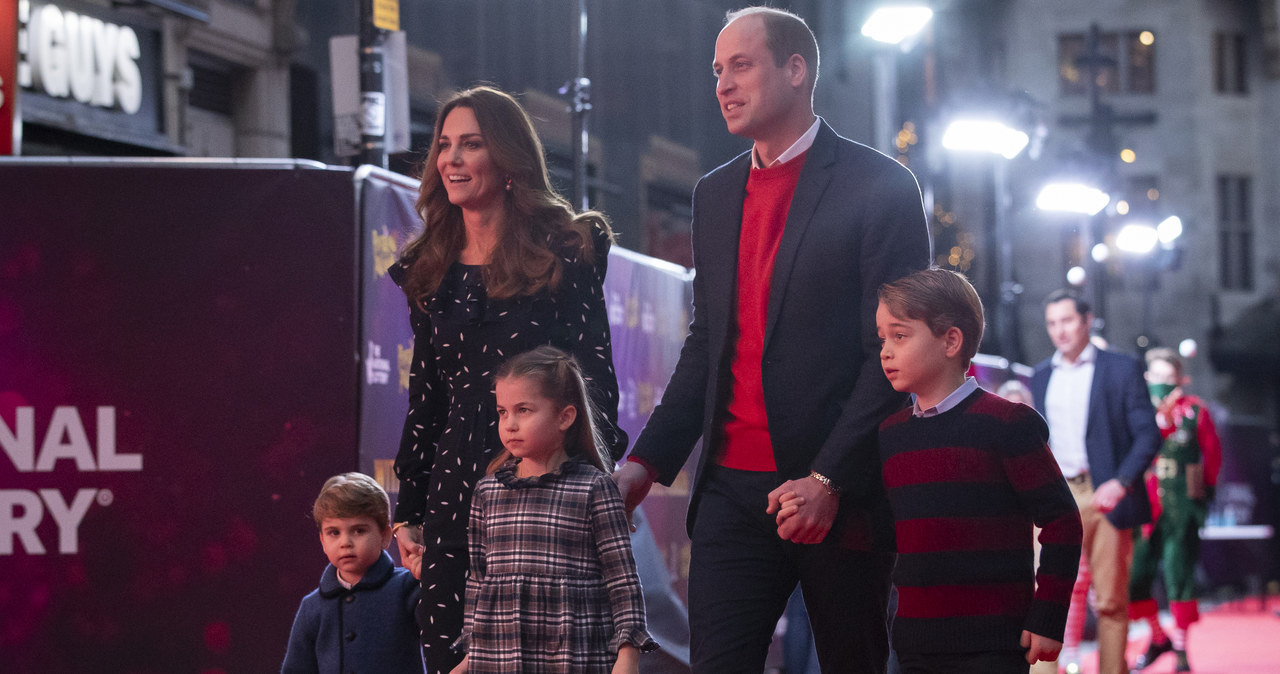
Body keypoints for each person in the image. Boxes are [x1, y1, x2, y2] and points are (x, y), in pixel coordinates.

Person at [611, 7, 931, 672]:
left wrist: (827, 479)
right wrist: (643, 465)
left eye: (741, 65)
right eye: (717, 71)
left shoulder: (881, 187)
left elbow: (895, 354)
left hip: (841, 492)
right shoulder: (715, 194)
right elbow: (709, 344)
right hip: (731, 492)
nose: (723, 84)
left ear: (796, 70)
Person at [388, 86, 628, 674]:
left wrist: (586, 483)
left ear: (508, 158)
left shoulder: (565, 252)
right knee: (454, 659)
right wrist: (406, 512)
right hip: (452, 496)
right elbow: (427, 400)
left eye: (471, 144)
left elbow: (595, 382)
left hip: (543, 495)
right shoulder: (430, 268)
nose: (451, 159)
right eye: (444, 146)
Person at [853, 268, 1082, 673]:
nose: (885, 351)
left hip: (994, 645)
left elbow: (1062, 520)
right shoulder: (891, 435)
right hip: (915, 646)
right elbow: (892, 532)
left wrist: (1047, 617)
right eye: (882, 338)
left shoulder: (1007, 423)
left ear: (951, 340)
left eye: (900, 336)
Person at [451, 346, 657, 673]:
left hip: (573, 654)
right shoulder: (487, 491)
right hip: (501, 655)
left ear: (565, 417)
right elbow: (478, 580)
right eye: (503, 412)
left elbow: (622, 580)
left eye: (524, 410)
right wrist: (469, 656)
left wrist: (627, 654)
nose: (510, 424)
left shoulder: (594, 488)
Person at [1029, 290, 1162, 674]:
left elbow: (1147, 434)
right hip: (1057, 493)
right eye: (1053, 323)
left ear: (1088, 321)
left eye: (1068, 320)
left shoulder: (1120, 368)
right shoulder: (1040, 376)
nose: (1060, 330)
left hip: (1106, 492)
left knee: (1110, 601)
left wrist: (1121, 482)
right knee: (1047, 595)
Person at [1129, 348, 1222, 672]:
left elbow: (1211, 456)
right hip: (1144, 504)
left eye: (1169, 378)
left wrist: (1203, 498)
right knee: (1135, 577)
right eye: (1157, 377)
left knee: (1179, 576)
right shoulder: (1137, 410)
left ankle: (1181, 649)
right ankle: (1158, 637)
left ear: (1181, 380)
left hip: (1181, 504)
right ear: (1146, 378)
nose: (1163, 384)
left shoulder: (1195, 411)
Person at [282, 472, 425, 674]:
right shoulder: (311, 607)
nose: (345, 543)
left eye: (359, 531)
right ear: (322, 541)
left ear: (385, 536)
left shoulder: (408, 587)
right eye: (334, 532)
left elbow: (442, 633)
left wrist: (429, 580)